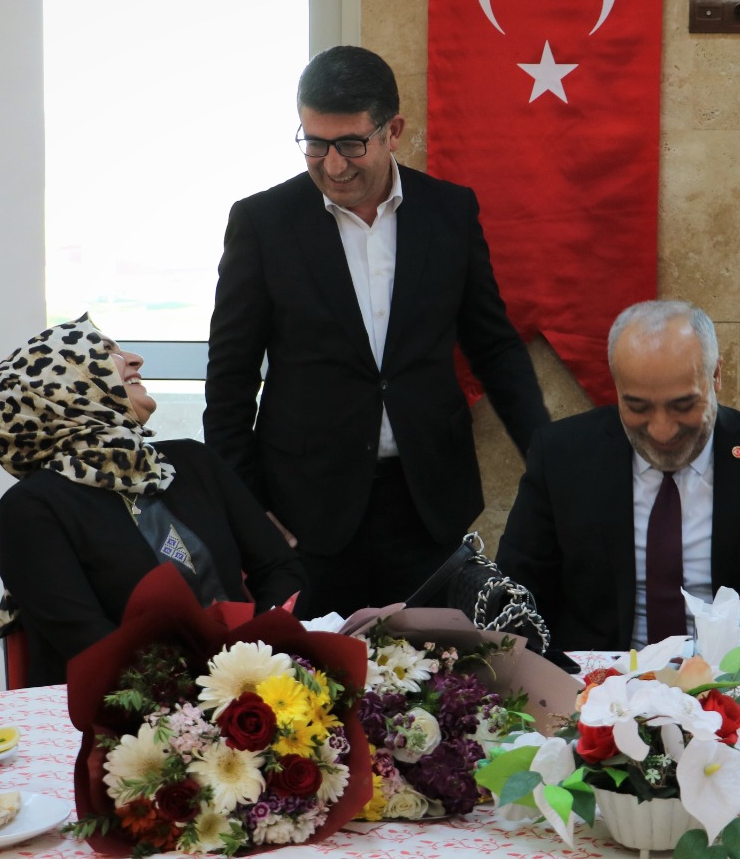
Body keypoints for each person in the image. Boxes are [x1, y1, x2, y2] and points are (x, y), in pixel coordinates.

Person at [204, 45, 550, 617]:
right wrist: (244, 506)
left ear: (393, 131)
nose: (332, 165)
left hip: (427, 506)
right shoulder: (263, 223)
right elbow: (230, 378)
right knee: (311, 670)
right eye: (315, 143)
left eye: (350, 144)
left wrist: (548, 463)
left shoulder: (449, 212)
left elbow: (493, 347)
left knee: (438, 669)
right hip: (304, 513)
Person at [496, 300, 740, 652]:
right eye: (637, 406)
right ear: (616, 386)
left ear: (716, 375)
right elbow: (514, 600)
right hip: (599, 681)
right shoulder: (562, 456)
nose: (662, 430)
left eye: (683, 405)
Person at [0, 317, 305, 687]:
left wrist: (256, 656)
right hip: (123, 708)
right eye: (107, 352)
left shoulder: (194, 461)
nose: (135, 359)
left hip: (250, 687)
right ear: (59, 390)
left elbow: (280, 568)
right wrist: (199, 686)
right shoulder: (32, 506)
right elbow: (86, 640)